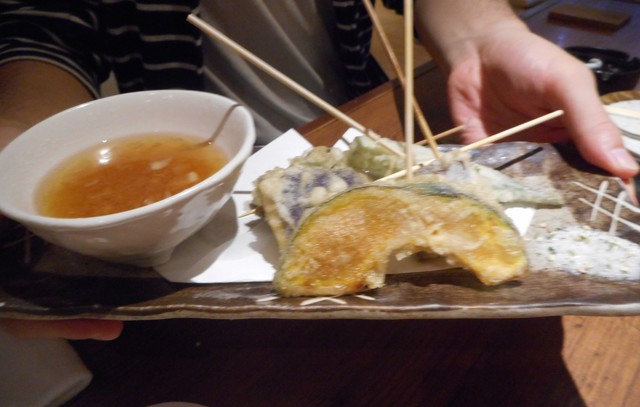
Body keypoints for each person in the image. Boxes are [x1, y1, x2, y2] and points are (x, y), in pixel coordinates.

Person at [0, 0, 637, 340]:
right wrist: (25, 146)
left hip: (359, 110)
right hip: (199, 167)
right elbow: (44, 26)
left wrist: (481, 37)